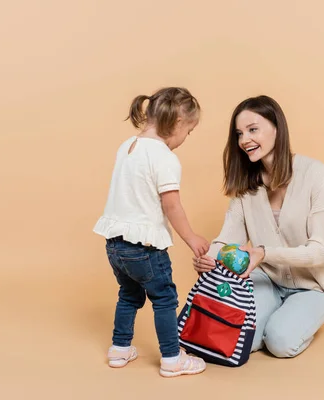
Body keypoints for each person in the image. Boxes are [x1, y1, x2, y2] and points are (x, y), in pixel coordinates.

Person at [193, 95, 324, 358]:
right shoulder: (246, 186)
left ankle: (300, 316)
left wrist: (263, 253)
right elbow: (227, 239)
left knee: (280, 343)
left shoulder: (315, 174)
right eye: (239, 133)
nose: (244, 139)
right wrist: (208, 259)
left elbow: (321, 251)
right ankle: (277, 312)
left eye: (253, 129)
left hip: (312, 286)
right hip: (264, 280)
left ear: (277, 129)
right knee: (241, 341)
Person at [93, 87, 208, 377]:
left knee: (128, 295)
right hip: (145, 247)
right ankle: (172, 358)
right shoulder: (165, 157)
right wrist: (191, 238)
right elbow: (172, 205)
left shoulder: (127, 146)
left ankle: (119, 350)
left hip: (115, 245)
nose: (186, 138)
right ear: (179, 123)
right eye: (189, 131)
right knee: (165, 299)